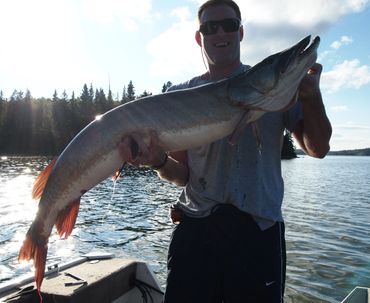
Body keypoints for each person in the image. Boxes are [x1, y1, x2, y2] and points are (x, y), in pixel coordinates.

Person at [119, 0, 332, 302]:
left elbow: (318, 148)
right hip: (196, 228)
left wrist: (312, 98)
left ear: (241, 32)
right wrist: (157, 161)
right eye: (210, 27)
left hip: (258, 231)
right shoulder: (178, 96)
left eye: (229, 25)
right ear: (199, 37)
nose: (221, 32)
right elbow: (181, 175)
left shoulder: (277, 87)